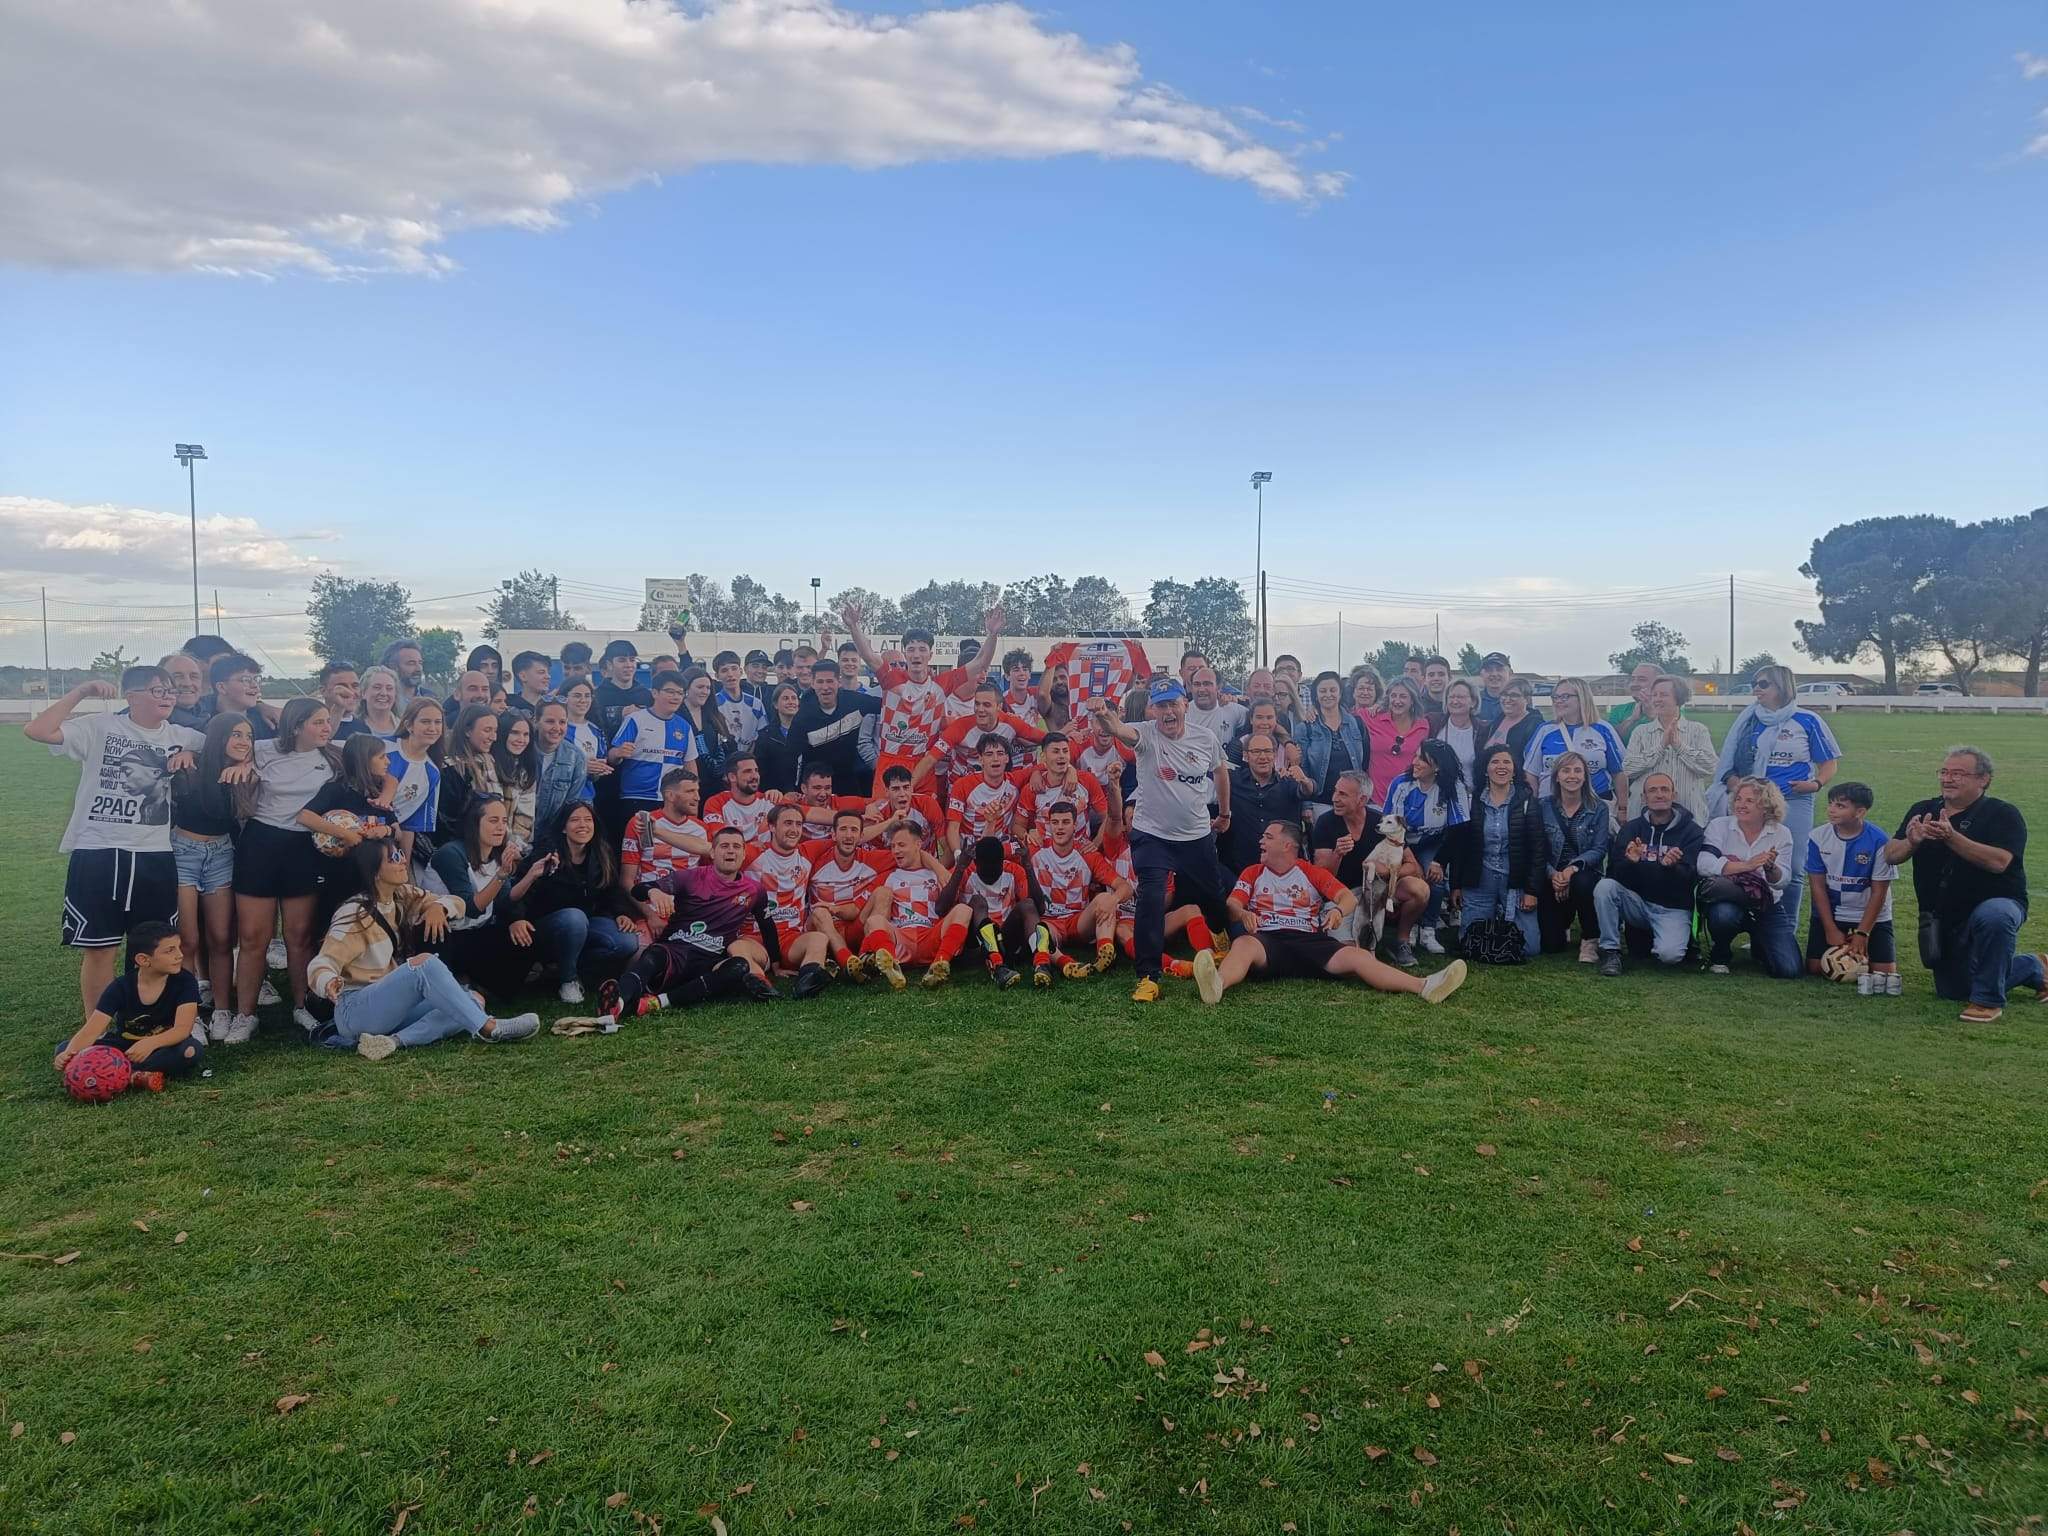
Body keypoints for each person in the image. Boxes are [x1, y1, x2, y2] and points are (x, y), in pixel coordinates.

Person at [306, 839, 539, 1059]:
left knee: (472, 1000)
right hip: (354, 1010)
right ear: (375, 872)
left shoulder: (402, 895)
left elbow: (458, 903)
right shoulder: (353, 913)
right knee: (423, 964)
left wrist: (438, 907)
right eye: (394, 858)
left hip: (387, 1007)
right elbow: (322, 962)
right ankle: (489, 1027)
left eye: (400, 854)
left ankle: (393, 1041)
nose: (402, 861)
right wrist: (328, 982)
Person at [1195, 821, 1467, 1006]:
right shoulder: (1252, 872)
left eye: (1268, 837)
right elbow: (1231, 905)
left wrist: (1338, 911)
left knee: (1358, 956)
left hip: (1310, 941)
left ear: (1287, 845)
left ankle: (1425, 986)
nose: (1260, 841)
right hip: (1267, 941)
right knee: (1243, 944)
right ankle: (1217, 985)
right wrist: (1242, 914)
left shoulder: (1311, 871)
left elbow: (1346, 897)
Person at [1087, 677, 1233, 1002]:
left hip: (1196, 836)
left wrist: (1224, 814)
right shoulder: (1147, 735)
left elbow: (1221, 772)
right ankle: (1148, 977)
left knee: (1212, 896)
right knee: (1150, 900)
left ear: (1185, 705)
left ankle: (1220, 935)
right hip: (1152, 835)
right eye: (1161, 705)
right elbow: (1119, 729)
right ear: (1152, 709)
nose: (1168, 712)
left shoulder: (1205, 738)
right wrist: (1103, 715)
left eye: (1173, 704)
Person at [1884, 747, 2044, 1021]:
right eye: (1944, 772)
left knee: (1995, 916)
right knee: (1954, 990)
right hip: (1943, 916)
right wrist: (1913, 841)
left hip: (1997, 904)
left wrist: (1951, 837)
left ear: (1984, 779)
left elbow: (1999, 862)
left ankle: (1988, 1003)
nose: (1948, 779)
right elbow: (1891, 855)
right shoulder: (1923, 810)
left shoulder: (2002, 814)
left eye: (1959, 774)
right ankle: (2032, 966)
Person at [220, 697, 338, 1037]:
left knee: (298, 937)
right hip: (260, 845)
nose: (326, 728)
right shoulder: (263, 749)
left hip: (303, 848)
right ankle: (245, 1014)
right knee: (254, 937)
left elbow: (377, 760)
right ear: (296, 726)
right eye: (318, 722)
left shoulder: (332, 758)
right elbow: (222, 749)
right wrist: (241, 765)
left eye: (327, 721)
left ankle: (302, 1006)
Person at [598, 826, 784, 1018]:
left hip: (708, 961)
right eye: (724, 846)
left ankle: (655, 1003)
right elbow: (639, 889)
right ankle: (617, 1002)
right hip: (674, 952)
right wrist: (653, 892)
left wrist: (776, 964)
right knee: (652, 956)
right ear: (712, 852)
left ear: (744, 854)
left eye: (736, 847)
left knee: (739, 966)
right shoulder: (691, 877)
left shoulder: (754, 890)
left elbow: (767, 925)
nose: (730, 851)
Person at [1711, 664, 1841, 932]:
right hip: (1752, 804)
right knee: (1744, 861)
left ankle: (1785, 930)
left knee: (1791, 866)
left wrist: (1815, 784)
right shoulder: (1747, 721)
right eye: (1754, 684)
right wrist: (1739, 786)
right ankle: (1748, 925)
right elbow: (1728, 766)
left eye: (1763, 684)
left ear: (1782, 686)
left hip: (1794, 800)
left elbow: (1828, 764)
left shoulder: (1807, 720)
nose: (1756, 690)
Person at [840, 601, 1002, 790]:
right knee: (884, 816)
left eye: (922, 649)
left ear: (930, 655)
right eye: (911, 649)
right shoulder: (891, 679)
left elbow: (981, 662)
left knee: (924, 818)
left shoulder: (942, 684)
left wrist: (993, 634)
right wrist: (853, 626)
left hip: (923, 764)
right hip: (890, 761)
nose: (916, 654)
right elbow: (868, 655)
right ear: (905, 654)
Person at [171, 710, 257, 1038]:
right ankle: (188, 1014)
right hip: (184, 852)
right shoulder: (190, 768)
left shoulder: (242, 774)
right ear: (220, 735)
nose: (244, 742)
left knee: (221, 938)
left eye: (248, 736)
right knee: (188, 939)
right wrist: (185, 754)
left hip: (221, 855)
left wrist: (246, 769)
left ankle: (222, 1010)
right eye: (236, 734)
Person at [54, 921, 203, 1090]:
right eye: (170, 950)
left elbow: (182, 1030)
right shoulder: (121, 986)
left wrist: (151, 1043)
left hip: (162, 1045)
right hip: (124, 1047)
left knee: (191, 1050)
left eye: (178, 947)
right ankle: (132, 1075)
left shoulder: (185, 982)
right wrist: (69, 1054)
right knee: (64, 1048)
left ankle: (116, 1073)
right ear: (143, 959)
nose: (180, 955)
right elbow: (92, 1029)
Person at [521, 801, 640, 1004]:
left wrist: (621, 912)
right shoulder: (549, 853)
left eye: (588, 819)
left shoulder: (601, 851)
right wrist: (517, 917)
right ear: (563, 827)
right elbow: (524, 891)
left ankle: (563, 969)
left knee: (626, 942)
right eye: (575, 820)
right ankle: (568, 980)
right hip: (546, 925)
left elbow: (611, 889)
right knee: (574, 918)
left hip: (587, 921)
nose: (583, 825)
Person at [429, 796, 545, 1000]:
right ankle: (457, 982)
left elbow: (504, 901)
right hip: (446, 934)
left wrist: (531, 876)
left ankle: (480, 985)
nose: (501, 827)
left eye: (503, 821)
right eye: (493, 821)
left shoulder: (496, 854)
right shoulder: (450, 854)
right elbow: (470, 907)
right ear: (474, 823)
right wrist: (501, 875)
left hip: (477, 931)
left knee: (528, 935)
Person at [1592, 771, 1705, 975]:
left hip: (1673, 908)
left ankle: (1674, 939)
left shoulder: (1692, 831)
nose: (1659, 794)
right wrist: (1630, 862)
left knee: (1670, 956)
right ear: (1644, 797)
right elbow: (1614, 873)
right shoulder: (1631, 829)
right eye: (1652, 790)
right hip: (1638, 904)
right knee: (1604, 887)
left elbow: (1694, 878)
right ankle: (1610, 951)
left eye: (1664, 789)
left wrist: (1674, 866)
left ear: (1674, 795)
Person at [1446, 744, 1546, 958]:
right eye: (1495, 762)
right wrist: (1455, 885)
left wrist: (1532, 891)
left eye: (1506, 762)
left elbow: (1538, 848)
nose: (1501, 767)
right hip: (1480, 879)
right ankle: (1495, 916)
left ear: (1514, 769)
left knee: (1529, 948)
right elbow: (1461, 847)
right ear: (1485, 769)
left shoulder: (1527, 800)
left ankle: (1501, 915)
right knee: (1470, 943)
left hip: (1515, 881)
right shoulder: (1471, 801)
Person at [1696, 776, 1801, 979]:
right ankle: (1721, 951)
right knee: (1723, 915)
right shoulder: (1719, 825)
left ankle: (1760, 942)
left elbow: (1784, 880)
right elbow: (1703, 864)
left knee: (1789, 970)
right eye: (1738, 799)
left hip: (1767, 904)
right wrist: (1748, 865)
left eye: (1749, 801)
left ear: (1766, 806)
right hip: (1729, 900)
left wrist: (1771, 869)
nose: (1741, 805)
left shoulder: (1782, 833)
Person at [729, 803, 833, 997]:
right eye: (787, 823)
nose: (794, 830)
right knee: (736, 947)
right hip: (756, 938)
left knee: (819, 938)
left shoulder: (807, 851)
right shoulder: (751, 853)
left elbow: (848, 838)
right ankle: (763, 986)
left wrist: (889, 820)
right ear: (772, 827)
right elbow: (713, 852)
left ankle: (806, 985)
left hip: (790, 938)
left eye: (798, 824)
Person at [1379, 740, 1467, 965]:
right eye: (1416, 756)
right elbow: (1390, 826)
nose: (1415, 762)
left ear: (1437, 767)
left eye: (1422, 759)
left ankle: (1428, 928)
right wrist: (1409, 858)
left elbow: (1459, 829)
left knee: (1434, 877)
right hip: (1401, 842)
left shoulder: (1453, 786)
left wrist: (1439, 861)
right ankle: (1406, 930)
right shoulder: (1402, 783)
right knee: (1411, 876)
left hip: (1433, 842)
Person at [859, 822, 976, 990]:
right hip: (901, 939)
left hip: (930, 935)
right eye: (892, 846)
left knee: (964, 910)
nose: (896, 851)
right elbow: (865, 919)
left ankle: (939, 964)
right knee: (875, 920)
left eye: (901, 845)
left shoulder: (938, 873)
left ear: (918, 845)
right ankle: (892, 966)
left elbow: (951, 902)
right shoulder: (888, 876)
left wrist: (938, 867)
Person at [1805, 782, 1898, 987]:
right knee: (1815, 968)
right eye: (1830, 804)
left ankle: (1862, 950)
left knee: (1883, 974)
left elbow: (1879, 892)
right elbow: (1817, 887)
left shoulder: (1879, 841)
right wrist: (1830, 928)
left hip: (1869, 914)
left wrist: (1862, 933)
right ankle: (1846, 947)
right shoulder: (1818, 837)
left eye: (1840, 806)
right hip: (1833, 912)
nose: (1831, 809)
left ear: (1860, 811)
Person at [1030, 801, 1131, 977]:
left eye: (1065, 822)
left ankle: (1105, 954)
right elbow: (997, 851)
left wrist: (1113, 900)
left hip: (1079, 922)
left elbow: (1125, 887)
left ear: (1075, 825)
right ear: (1049, 824)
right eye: (1055, 822)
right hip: (1050, 921)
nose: (1060, 828)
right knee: (1038, 932)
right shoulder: (1035, 848)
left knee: (1105, 899)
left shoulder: (1087, 853)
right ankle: (1067, 965)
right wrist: (1025, 833)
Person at [803, 808, 896, 978]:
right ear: (833, 835)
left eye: (854, 830)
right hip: (822, 930)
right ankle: (846, 962)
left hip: (854, 927)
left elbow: (910, 854)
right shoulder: (815, 861)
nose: (848, 835)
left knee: (884, 893)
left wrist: (940, 870)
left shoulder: (870, 859)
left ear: (861, 837)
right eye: (843, 829)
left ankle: (867, 955)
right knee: (820, 912)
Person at [607, 671, 698, 838]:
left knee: (666, 849)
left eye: (680, 693)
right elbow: (611, 756)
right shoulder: (635, 719)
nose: (675, 697)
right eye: (670, 691)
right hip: (636, 797)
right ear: (655, 692)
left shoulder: (684, 726)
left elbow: (689, 763)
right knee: (637, 849)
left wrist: (693, 794)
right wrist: (618, 753)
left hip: (670, 800)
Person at [1538, 751, 1610, 960]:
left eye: (1578, 770)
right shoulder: (1543, 807)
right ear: (1556, 776)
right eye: (1566, 770)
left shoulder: (1599, 808)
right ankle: (1563, 921)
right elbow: (1537, 849)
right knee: (1551, 945)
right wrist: (1554, 875)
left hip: (1584, 873)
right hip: (1552, 875)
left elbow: (1599, 849)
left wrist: (1570, 870)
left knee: (1581, 881)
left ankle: (1590, 938)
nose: (1572, 776)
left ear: (1585, 776)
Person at [919, 683, 1046, 794]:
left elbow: (1047, 739)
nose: (980, 710)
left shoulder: (1011, 723)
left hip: (995, 786)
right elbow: (930, 758)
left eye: (986, 705)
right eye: (977, 704)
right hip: (961, 786)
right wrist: (910, 786)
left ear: (999, 707)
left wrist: (1061, 768)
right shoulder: (961, 726)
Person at [1620, 675, 1716, 820]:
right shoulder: (1641, 732)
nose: (1657, 699)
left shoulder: (1698, 730)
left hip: (1689, 816)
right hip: (1645, 818)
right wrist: (1660, 747)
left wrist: (1679, 746)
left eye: (1663, 695)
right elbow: (1629, 768)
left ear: (1679, 698)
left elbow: (1709, 767)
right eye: (1654, 695)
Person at [1523, 678, 1626, 810]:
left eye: (1565, 696)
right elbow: (1531, 773)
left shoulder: (1603, 729)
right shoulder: (1545, 730)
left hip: (1595, 806)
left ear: (1582, 697)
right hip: (1552, 808)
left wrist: (1623, 808)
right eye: (1555, 697)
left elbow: (1619, 773)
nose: (1558, 701)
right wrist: (1535, 806)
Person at [1219, 731, 1306, 876]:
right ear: (1245, 756)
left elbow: (1310, 790)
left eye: (1267, 751)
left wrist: (1305, 780)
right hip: (1242, 867)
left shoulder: (1288, 782)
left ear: (1275, 754)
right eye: (1256, 751)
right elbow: (1211, 772)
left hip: (1285, 870)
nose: (1263, 757)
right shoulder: (1232, 780)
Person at [792, 659, 883, 796]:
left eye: (830, 681)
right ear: (813, 684)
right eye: (820, 682)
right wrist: (788, 789)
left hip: (847, 780)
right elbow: (790, 755)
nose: (825, 687)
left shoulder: (855, 701)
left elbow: (888, 704)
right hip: (815, 783)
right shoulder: (803, 714)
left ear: (839, 682)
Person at [1012, 731, 1114, 848]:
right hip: (1045, 854)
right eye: (1056, 751)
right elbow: (1017, 826)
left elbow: (1108, 815)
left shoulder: (1086, 780)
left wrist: (1096, 842)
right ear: (1043, 757)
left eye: (1065, 751)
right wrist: (1028, 835)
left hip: (1081, 852)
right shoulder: (1033, 788)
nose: (1061, 756)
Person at [1299, 670, 1367, 821]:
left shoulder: (1356, 723)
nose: (1328, 694)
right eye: (1323, 691)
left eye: (1333, 690)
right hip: (1320, 803)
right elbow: (1302, 768)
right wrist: (1306, 805)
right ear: (1316, 695)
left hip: (1352, 803)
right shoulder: (1306, 727)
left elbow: (1365, 763)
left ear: (1340, 693)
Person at [947, 734, 1025, 863]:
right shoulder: (962, 785)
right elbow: (953, 827)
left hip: (1001, 844)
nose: (995, 759)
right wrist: (957, 854)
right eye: (989, 754)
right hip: (971, 847)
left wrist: (1070, 770)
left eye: (1000, 753)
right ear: (980, 759)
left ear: (1007, 758)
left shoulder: (1014, 781)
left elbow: (1045, 767)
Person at [386, 697, 444, 864]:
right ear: (409, 725)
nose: (432, 728)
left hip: (389, 840)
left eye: (437, 722)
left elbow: (410, 824)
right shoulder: (383, 747)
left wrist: (404, 866)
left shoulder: (432, 773)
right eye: (425, 721)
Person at [437, 703, 502, 838]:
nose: (493, 737)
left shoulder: (491, 762)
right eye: (487, 730)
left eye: (495, 731)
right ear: (467, 731)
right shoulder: (450, 769)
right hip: (463, 845)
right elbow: (449, 820)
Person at [533, 698, 591, 831]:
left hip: (552, 833)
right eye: (550, 721)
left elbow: (571, 805)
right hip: (517, 834)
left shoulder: (576, 757)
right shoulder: (522, 748)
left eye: (562, 722)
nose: (557, 728)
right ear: (536, 721)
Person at [1479, 676, 1544, 790]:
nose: (1507, 699)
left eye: (1514, 695)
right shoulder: (1498, 720)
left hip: (1518, 792)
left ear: (1527, 699)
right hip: (1490, 789)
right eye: (1504, 694)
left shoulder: (1535, 725)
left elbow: (1534, 767)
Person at [492, 711, 541, 854]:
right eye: (514, 733)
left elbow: (525, 818)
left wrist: (516, 847)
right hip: (487, 842)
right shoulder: (488, 764)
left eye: (526, 735)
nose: (521, 739)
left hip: (514, 848)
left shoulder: (525, 770)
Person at [704, 752, 778, 848]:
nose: (755, 776)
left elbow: (802, 814)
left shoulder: (771, 799)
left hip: (766, 860)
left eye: (756, 770)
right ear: (732, 777)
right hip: (732, 860)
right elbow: (720, 841)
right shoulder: (716, 803)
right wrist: (753, 849)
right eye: (748, 771)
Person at [558, 677, 610, 801]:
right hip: (558, 797)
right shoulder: (556, 728)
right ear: (565, 698)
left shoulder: (596, 731)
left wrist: (598, 770)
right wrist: (582, 768)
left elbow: (596, 774)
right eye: (577, 696)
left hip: (585, 798)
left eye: (587, 696)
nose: (583, 700)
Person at [592, 639, 652, 742]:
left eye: (632, 660)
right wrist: (619, 716)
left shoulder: (646, 695)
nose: (628, 665)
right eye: (622, 660)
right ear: (609, 664)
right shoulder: (597, 696)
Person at [753, 681, 806, 793]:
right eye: (785, 698)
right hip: (774, 794)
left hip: (801, 793)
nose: (791, 702)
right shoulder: (766, 735)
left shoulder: (806, 732)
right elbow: (761, 769)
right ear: (776, 704)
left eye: (794, 698)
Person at [208, 652, 276, 739]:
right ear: (221, 687)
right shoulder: (202, 719)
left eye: (257, 679)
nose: (255, 685)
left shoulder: (268, 723)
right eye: (246, 680)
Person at [1429, 678, 1481, 788]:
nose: (1455, 701)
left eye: (1461, 697)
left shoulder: (1483, 730)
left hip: (1469, 796)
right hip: (1436, 794)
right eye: (1451, 697)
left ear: (1473, 702)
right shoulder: (1433, 722)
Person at [713, 650, 770, 749]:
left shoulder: (756, 704)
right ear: (717, 676)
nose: (730, 674)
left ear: (740, 671)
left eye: (734, 668)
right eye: (724, 670)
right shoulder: (713, 704)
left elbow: (762, 736)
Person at [1377, 680, 1432, 779]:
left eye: (1403, 696)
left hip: (1409, 791)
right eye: (1393, 696)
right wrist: (1372, 706)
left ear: (1412, 700)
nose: (1397, 701)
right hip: (1376, 793)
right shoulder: (1374, 719)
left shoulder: (1423, 726)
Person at [1605, 663, 1663, 743]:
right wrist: (1631, 720)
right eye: (1632, 679)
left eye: (1642, 679)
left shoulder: (1672, 710)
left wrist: (1652, 715)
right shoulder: (1619, 710)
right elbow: (1609, 739)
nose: (1634, 684)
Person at [1473, 651, 1524, 730]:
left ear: (1510, 673)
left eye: (1499, 669)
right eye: (1489, 670)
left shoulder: (1521, 702)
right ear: (1481, 674)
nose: (1494, 674)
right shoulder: (1473, 700)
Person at [161, 651, 208, 729]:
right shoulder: (156, 723)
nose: (187, 683)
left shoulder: (211, 712)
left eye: (194, 676)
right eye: (178, 676)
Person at [358, 665, 403, 744]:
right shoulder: (353, 728)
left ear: (395, 695)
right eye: (377, 687)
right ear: (363, 693)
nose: (383, 693)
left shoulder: (405, 730)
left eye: (389, 688)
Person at [503, 650, 552, 719]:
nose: (548, 676)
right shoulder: (507, 707)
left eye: (548, 672)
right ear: (523, 676)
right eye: (541, 672)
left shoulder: (552, 706)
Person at [381, 639, 426, 710]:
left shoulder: (430, 697)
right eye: (411, 663)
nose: (418, 669)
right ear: (393, 666)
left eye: (420, 663)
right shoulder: (383, 700)